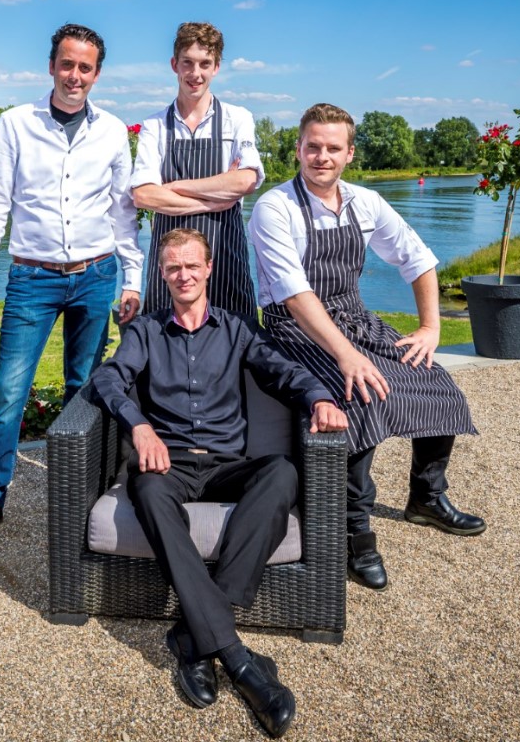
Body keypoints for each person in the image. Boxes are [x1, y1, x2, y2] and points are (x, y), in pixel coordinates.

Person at [93, 227, 347, 739]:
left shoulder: (237, 329)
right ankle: (238, 658)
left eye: (192, 266)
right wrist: (139, 426)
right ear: (162, 275)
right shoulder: (143, 331)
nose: (183, 275)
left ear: (209, 270)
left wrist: (319, 396)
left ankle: (194, 636)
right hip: (172, 465)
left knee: (282, 472)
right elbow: (107, 379)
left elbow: (284, 372)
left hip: (229, 464)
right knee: (145, 485)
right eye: (172, 268)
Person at [249, 103, 485, 592]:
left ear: (349, 153)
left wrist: (430, 328)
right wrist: (346, 356)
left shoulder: (365, 202)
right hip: (295, 329)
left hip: (354, 317)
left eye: (332, 148)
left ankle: (425, 497)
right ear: (298, 149)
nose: (321, 156)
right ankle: (355, 532)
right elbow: (295, 295)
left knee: (435, 381)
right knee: (356, 395)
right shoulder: (275, 208)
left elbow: (417, 259)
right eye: (312, 146)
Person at [0, 23, 144, 550]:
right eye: (67, 64)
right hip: (32, 278)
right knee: (9, 391)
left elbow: (123, 210)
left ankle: (82, 498)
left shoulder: (109, 131)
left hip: (96, 275)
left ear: (97, 74)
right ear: (51, 66)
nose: (75, 75)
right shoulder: (16, 123)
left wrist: (133, 276)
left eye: (85, 67)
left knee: (83, 390)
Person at [131, 22, 263, 321]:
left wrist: (174, 186)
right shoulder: (155, 125)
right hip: (170, 267)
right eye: (187, 63)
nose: (196, 73)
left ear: (216, 67)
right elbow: (143, 195)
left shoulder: (237, 118)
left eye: (205, 64)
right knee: (164, 353)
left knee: (235, 349)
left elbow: (246, 179)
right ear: (174, 64)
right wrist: (215, 199)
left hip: (225, 257)